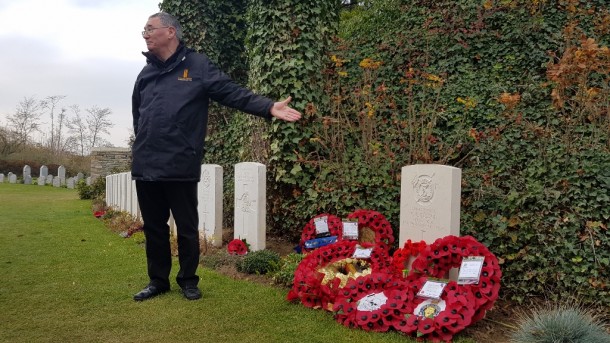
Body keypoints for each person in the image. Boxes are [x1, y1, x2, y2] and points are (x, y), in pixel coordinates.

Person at [131, 12, 302, 301]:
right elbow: (139, 115)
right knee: (154, 227)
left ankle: (188, 280)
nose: (145, 34)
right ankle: (158, 281)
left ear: (171, 32)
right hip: (146, 163)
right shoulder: (145, 74)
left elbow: (230, 92)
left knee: (186, 226)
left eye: (150, 28)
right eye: (144, 30)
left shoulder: (197, 66)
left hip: (180, 162)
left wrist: (267, 106)